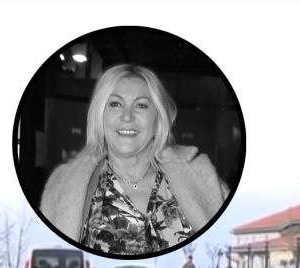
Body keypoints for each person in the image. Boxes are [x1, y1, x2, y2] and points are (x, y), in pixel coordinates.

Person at [40, 64, 229, 255]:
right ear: (99, 116)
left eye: (141, 105)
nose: (127, 116)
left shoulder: (203, 179)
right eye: (115, 104)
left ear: (158, 119)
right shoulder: (63, 186)